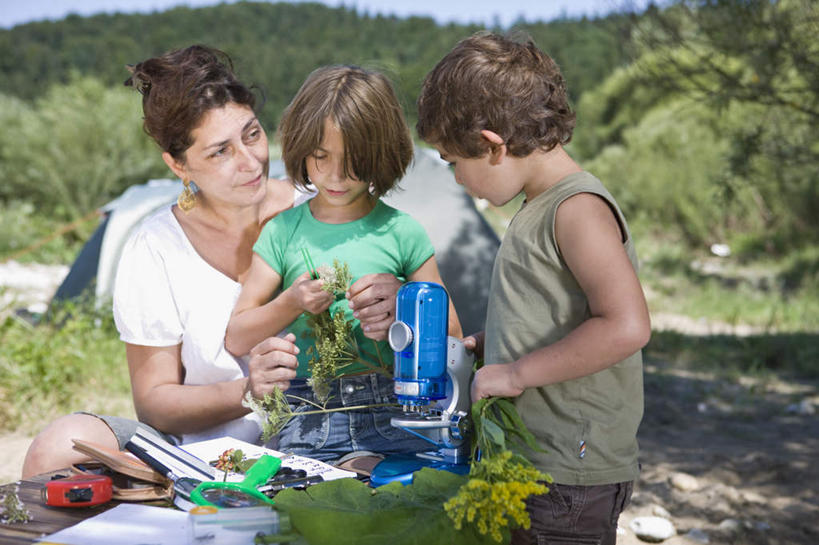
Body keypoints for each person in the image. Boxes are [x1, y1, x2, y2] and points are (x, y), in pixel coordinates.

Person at [21, 46, 402, 478]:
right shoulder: (155, 245)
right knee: (52, 451)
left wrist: (397, 304)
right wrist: (248, 391)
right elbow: (155, 402)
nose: (250, 162)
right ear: (179, 165)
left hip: (325, 444)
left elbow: (411, 347)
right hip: (195, 456)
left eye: (252, 134)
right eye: (220, 152)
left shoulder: (328, 211)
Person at [416, 32, 651, 545]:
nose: (457, 180)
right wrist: (494, 344)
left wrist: (519, 371)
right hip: (536, 462)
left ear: (493, 145)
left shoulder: (577, 208)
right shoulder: (539, 206)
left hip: (567, 475)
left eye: (454, 163)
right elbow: (553, 314)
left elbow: (626, 325)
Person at [225, 65, 463, 462]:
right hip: (308, 412)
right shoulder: (282, 232)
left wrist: (404, 305)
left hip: (400, 407)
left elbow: (453, 335)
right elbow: (237, 336)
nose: (335, 175)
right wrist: (291, 303)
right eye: (320, 157)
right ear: (301, 148)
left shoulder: (403, 231)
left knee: (409, 508)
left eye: (353, 160)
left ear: (382, 153)